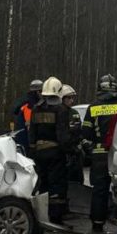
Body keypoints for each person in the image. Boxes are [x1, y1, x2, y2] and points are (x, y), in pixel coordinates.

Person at [82, 74, 117, 232]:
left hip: (99, 155)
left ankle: (97, 224)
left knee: (99, 189)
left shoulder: (93, 107)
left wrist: (90, 150)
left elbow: (85, 133)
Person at [29, 77, 71, 224]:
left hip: (39, 153)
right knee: (56, 185)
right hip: (55, 153)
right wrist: (69, 151)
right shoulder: (61, 110)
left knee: (43, 184)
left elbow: (32, 132)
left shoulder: (36, 108)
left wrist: (33, 151)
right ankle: (56, 217)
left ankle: (41, 216)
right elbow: (62, 134)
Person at [61, 85, 84, 184]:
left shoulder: (74, 113)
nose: (71, 101)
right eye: (68, 98)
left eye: (72, 98)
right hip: (63, 152)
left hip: (75, 151)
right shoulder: (58, 113)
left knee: (77, 178)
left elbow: (79, 131)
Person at [12, 79, 43, 154]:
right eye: (42, 91)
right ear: (37, 92)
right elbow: (30, 126)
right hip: (25, 145)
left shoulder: (25, 102)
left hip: (21, 142)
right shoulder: (29, 106)